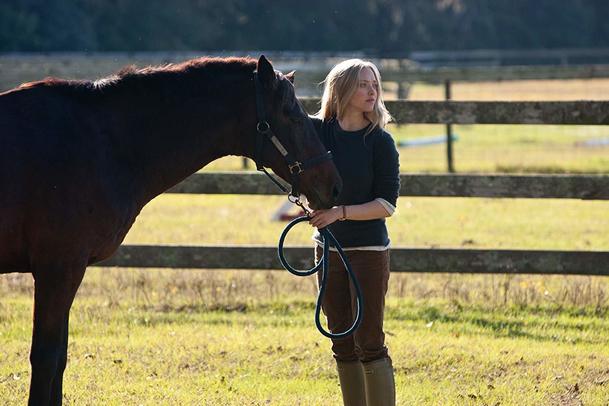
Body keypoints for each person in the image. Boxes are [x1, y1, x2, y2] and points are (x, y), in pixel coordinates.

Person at [308, 59, 400, 406]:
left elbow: (386, 205)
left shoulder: (380, 142)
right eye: (363, 84)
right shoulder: (318, 133)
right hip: (327, 250)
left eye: (374, 84)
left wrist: (338, 214)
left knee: (369, 340)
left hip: (368, 252)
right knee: (340, 339)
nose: (372, 90)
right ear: (343, 89)